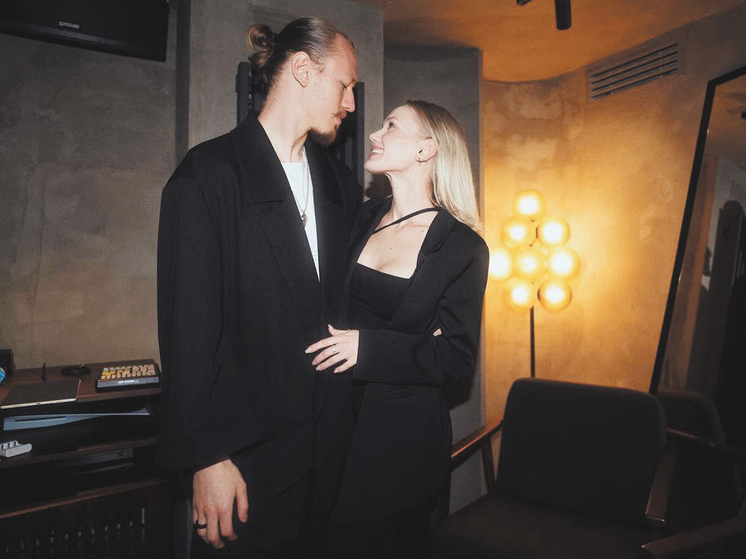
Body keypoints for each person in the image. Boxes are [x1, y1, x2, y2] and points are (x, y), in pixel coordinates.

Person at [156, 16, 361, 558]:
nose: (350, 103)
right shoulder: (208, 175)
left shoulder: (340, 184)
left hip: (329, 469)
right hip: (247, 471)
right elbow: (188, 334)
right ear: (302, 70)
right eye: (344, 85)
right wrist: (207, 458)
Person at [307, 100, 489, 558]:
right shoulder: (362, 216)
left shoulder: (462, 246)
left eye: (391, 126)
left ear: (426, 149)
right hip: (331, 422)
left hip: (396, 444)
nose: (374, 134)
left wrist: (370, 349)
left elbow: (457, 356)